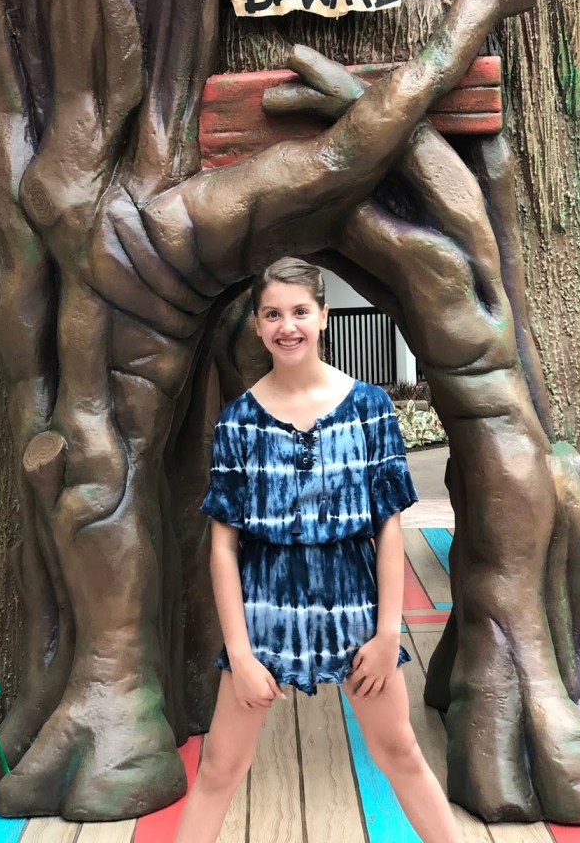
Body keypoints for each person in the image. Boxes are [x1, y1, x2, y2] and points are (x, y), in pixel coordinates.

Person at [173, 257, 463, 843]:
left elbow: (388, 528)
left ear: (324, 316)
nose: (288, 326)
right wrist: (240, 654)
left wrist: (388, 635)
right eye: (272, 314)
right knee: (220, 768)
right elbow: (223, 546)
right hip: (264, 612)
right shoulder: (238, 423)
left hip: (355, 607)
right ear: (258, 325)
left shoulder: (370, 408)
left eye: (300, 311)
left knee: (401, 751)